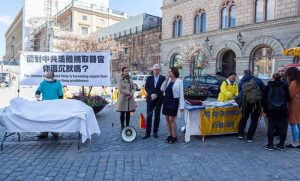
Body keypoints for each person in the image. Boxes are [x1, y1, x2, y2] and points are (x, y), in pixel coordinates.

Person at [262, 73, 290, 151]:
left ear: (272, 78)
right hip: (282, 110)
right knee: (283, 128)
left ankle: (270, 145)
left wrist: (265, 110)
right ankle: (281, 145)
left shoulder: (268, 86)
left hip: (271, 110)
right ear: (280, 78)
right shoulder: (284, 86)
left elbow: (263, 100)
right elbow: (288, 99)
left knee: (270, 127)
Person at [237, 70, 265, 142]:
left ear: (244, 74)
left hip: (245, 103)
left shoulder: (242, 81)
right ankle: (250, 137)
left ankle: (240, 134)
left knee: (244, 118)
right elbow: (264, 90)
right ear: (251, 74)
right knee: (254, 120)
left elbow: (239, 92)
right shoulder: (258, 80)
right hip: (256, 103)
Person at [35, 71, 63, 139]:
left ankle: (55, 132)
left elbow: (60, 95)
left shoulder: (58, 83)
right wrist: (37, 94)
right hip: (45, 105)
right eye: (47, 76)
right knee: (45, 119)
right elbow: (38, 90)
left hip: (55, 105)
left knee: (54, 119)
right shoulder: (43, 83)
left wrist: (60, 103)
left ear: (53, 76)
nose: (48, 77)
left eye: (50, 76)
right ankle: (44, 133)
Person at [160, 67, 184, 144]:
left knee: (172, 119)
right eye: (168, 71)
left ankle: (174, 136)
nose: (168, 73)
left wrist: (182, 106)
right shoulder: (168, 80)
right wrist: (166, 80)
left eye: (170, 72)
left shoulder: (179, 81)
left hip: (174, 101)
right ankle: (169, 135)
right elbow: (161, 89)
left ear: (174, 72)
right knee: (166, 118)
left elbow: (181, 94)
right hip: (166, 100)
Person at [142, 64, 166, 139]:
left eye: (158, 69)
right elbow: (146, 87)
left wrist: (156, 95)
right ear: (153, 70)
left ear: (159, 70)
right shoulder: (149, 78)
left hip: (159, 100)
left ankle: (155, 132)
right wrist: (151, 94)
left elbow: (163, 89)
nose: (156, 71)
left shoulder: (163, 78)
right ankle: (147, 133)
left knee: (157, 116)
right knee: (149, 116)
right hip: (150, 100)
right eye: (155, 69)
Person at [285, 67, 300, 148]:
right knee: (299, 123)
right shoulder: (298, 81)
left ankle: (295, 142)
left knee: (293, 123)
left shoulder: (294, 83)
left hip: (295, 104)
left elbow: (290, 95)